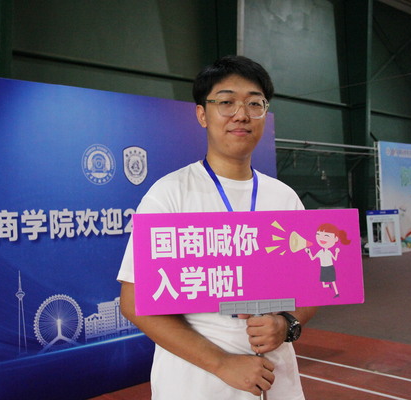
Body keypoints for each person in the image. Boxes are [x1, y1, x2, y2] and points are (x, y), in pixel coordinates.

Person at [117, 55, 317, 399]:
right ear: (202, 114)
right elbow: (135, 303)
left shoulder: (284, 197)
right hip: (196, 384)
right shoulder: (169, 195)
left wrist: (286, 324)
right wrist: (223, 363)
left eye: (254, 103)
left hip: (277, 380)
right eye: (226, 102)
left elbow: (310, 286)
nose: (241, 114)